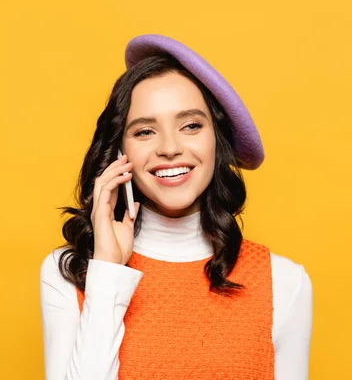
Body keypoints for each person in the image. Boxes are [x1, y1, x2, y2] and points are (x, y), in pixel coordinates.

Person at [39, 34, 313, 379]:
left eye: (191, 126)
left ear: (218, 141)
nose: (170, 148)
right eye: (144, 132)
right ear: (120, 153)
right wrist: (107, 272)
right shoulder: (68, 271)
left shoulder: (286, 282)